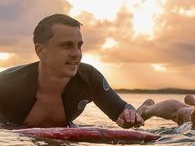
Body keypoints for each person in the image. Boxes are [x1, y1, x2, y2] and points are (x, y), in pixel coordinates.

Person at [0, 13, 144, 129]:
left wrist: (129, 115)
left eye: (79, 45)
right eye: (66, 46)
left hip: (67, 141)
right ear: (41, 50)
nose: (76, 54)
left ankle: (148, 110)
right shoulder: (7, 84)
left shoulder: (89, 78)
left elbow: (122, 108)